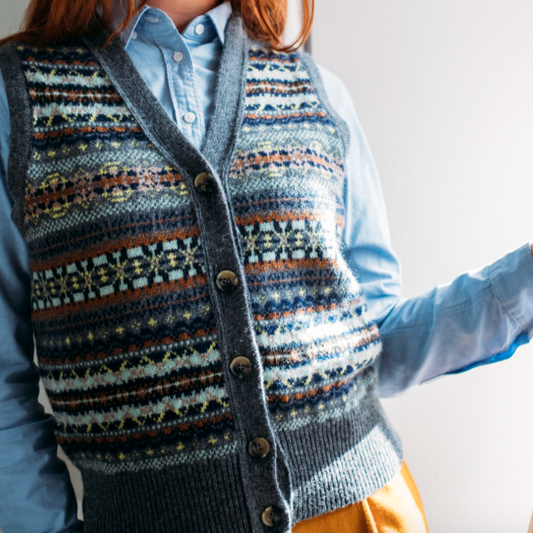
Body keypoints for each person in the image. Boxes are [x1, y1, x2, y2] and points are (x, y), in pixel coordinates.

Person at [0, 0, 531, 532]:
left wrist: (521, 284)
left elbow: (373, 342)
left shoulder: (317, 92)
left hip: (361, 512)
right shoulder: (17, 99)